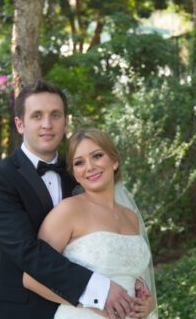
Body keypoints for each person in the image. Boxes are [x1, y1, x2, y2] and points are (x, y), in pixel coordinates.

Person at [0, 80, 153, 319]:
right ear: (20, 124)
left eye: (55, 115)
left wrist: (138, 290)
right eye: (37, 116)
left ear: (65, 121)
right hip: (14, 310)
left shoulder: (81, 175)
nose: (47, 124)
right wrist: (100, 290)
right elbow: (27, 251)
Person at [22, 128, 157, 318]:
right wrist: (92, 301)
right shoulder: (68, 211)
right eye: (79, 162)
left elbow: (135, 277)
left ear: (115, 161)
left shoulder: (131, 217)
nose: (90, 167)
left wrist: (147, 301)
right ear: (74, 173)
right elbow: (32, 277)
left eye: (97, 156)